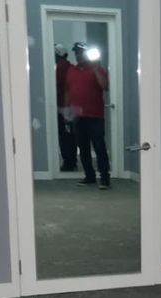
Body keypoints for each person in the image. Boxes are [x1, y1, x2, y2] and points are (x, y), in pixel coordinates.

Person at [63, 41, 111, 190]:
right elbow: (68, 91)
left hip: (95, 116)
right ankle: (89, 176)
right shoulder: (71, 70)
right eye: (76, 53)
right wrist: (67, 111)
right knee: (83, 149)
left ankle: (105, 178)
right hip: (77, 116)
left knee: (99, 147)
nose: (79, 56)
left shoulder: (98, 69)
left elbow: (105, 86)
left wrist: (95, 67)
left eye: (81, 53)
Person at [55, 44, 77, 172]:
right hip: (72, 106)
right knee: (71, 135)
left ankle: (68, 162)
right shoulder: (72, 68)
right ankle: (72, 160)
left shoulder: (58, 68)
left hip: (62, 106)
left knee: (64, 136)